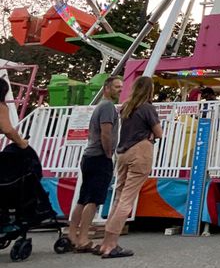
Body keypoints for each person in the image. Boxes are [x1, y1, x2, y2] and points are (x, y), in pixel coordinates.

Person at [97, 76, 162, 258]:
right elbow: (159, 132)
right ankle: (111, 245)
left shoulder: (126, 107)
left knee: (119, 196)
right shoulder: (147, 108)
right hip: (140, 150)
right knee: (127, 198)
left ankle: (105, 242)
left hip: (123, 152)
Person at [67, 76, 123, 253]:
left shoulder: (101, 106)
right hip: (99, 156)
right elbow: (106, 132)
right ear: (107, 88)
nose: (120, 90)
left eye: (121, 86)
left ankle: (72, 234)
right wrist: (108, 153)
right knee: (93, 199)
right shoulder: (107, 107)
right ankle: (83, 238)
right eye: (116, 87)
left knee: (83, 197)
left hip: (89, 156)